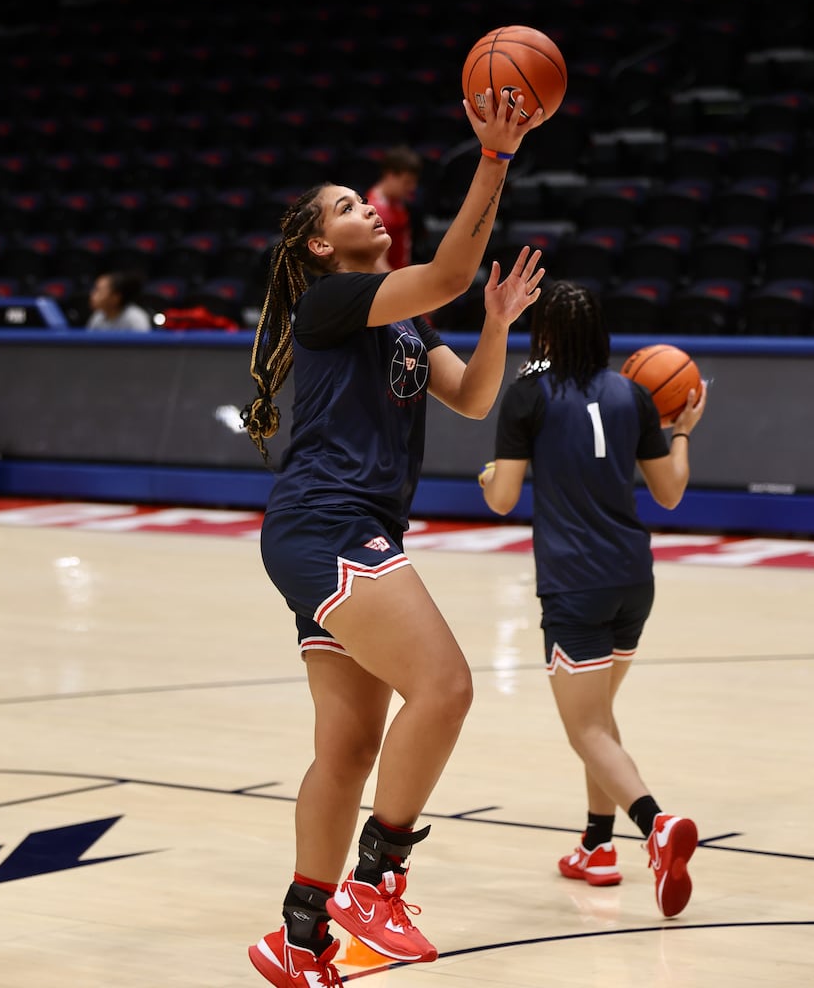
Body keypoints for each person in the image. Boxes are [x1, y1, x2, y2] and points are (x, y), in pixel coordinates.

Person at [243, 88, 545, 988]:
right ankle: (376, 879)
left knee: (345, 747)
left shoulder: (398, 316)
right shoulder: (333, 303)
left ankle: (298, 936)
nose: (364, 207)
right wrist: (494, 158)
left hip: (337, 527)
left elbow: (474, 398)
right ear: (318, 247)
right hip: (327, 521)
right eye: (344, 207)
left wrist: (494, 327)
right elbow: (449, 270)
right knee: (447, 687)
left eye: (359, 200)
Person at [478, 281, 706, 920]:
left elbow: (501, 498)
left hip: (574, 583)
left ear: (543, 335)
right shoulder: (633, 394)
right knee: (599, 720)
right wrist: (681, 431)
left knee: (585, 728)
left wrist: (492, 474)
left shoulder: (529, 391)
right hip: (634, 580)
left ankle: (655, 826)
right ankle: (596, 846)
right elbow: (669, 494)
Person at [365, 145, 422, 273]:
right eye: (407, 182)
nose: (412, 187)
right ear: (390, 175)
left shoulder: (397, 201)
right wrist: (399, 288)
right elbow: (378, 263)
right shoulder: (376, 211)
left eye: (413, 182)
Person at [85, 270, 151, 331]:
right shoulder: (97, 317)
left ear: (115, 297)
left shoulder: (136, 319)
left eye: (98, 290)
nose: (92, 295)